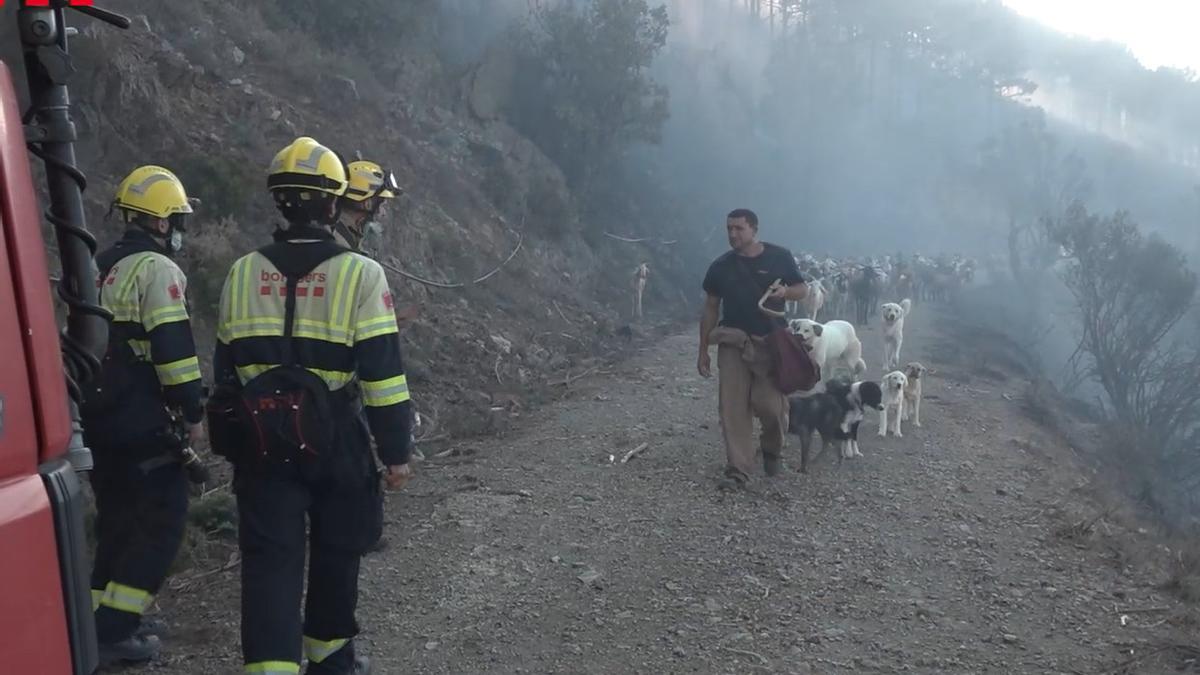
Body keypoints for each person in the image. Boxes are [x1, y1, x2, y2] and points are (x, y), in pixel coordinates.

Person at [210, 137, 413, 675]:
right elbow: (383, 375)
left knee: (270, 562)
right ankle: (331, 657)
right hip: (336, 437)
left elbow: (224, 370)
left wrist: (233, 438)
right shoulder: (361, 274)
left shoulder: (241, 272)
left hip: (261, 441)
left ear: (279, 201)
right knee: (337, 548)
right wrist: (396, 453)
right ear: (333, 202)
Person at [82, 165, 205, 666]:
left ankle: (99, 620)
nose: (178, 230)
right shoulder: (158, 271)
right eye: (177, 220)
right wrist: (194, 408)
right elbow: (173, 352)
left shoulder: (95, 264)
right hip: (144, 419)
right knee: (160, 521)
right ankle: (114, 630)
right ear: (159, 223)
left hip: (96, 417)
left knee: (116, 521)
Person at [698, 208, 807, 489]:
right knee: (732, 408)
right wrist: (703, 349)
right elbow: (711, 307)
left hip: (770, 342)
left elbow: (802, 289)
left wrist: (785, 292)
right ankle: (738, 469)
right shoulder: (720, 267)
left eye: (739, 228)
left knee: (770, 406)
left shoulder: (779, 257)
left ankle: (771, 448)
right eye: (729, 229)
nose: (733, 234)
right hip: (733, 341)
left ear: (754, 229)